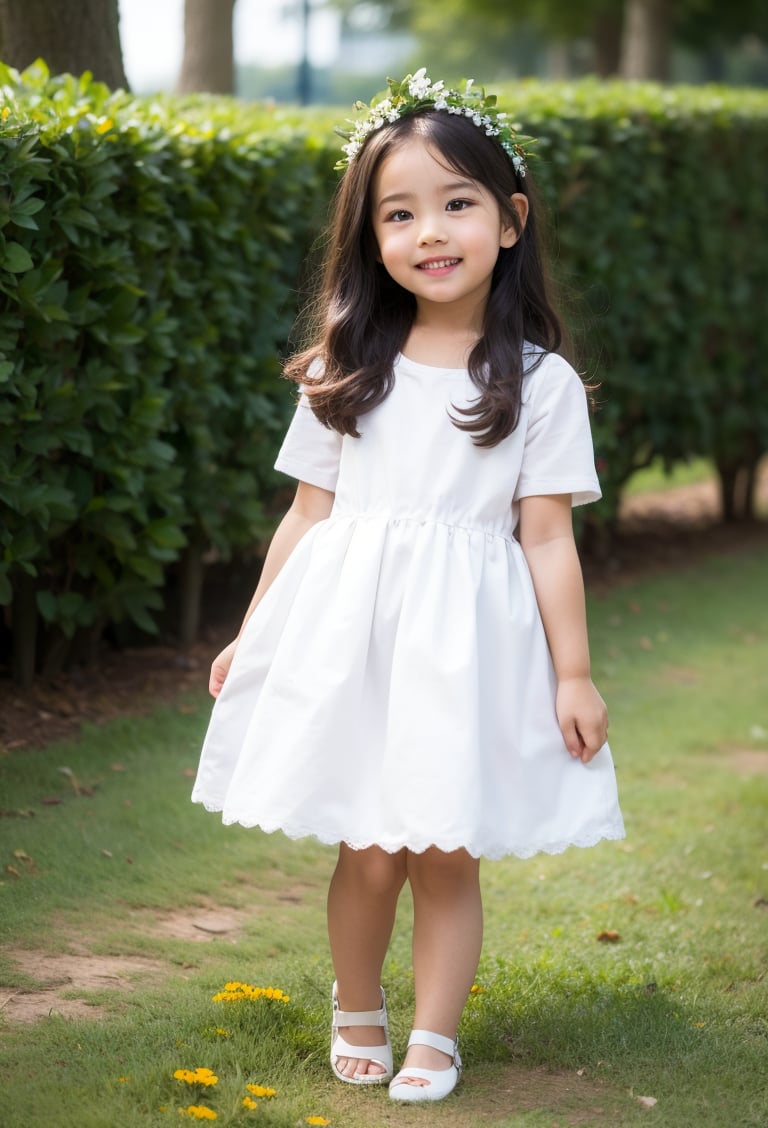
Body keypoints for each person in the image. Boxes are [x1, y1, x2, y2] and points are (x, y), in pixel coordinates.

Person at [192, 69, 624, 1103]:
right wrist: (255, 635)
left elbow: (548, 537)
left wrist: (574, 674)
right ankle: (359, 1007)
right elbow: (306, 515)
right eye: (400, 213)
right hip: (352, 636)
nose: (430, 231)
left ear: (511, 221)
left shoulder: (539, 382)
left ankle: (435, 1035)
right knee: (371, 847)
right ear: (369, 238)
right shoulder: (350, 364)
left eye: (457, 203)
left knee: (443, 848)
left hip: (465, 644)